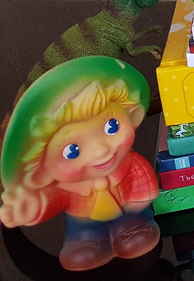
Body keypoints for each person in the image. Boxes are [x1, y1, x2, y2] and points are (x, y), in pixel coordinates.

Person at [0, 57, 160, 271]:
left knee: (135, 232)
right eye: (72, 150)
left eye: (112, 126)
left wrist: (140, 200)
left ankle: (134, 230)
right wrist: (31, 208)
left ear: (133, 117)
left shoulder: (128, 164)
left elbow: (143, 182)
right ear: (43, 171)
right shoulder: (65, 187)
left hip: (130, 218)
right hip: (84, 226)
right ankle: (86, 244)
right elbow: (50, 200)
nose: (101, 150)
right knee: (84, 246)